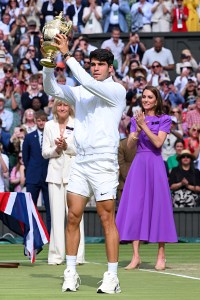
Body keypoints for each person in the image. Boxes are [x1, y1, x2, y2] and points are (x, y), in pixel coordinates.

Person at [43, 37, 126, 293]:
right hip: (81, 160)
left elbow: (88, 81)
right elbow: (51, 89)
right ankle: (70, 272)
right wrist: (48, 61)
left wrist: (67, 56)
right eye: (93, 64)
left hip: (104, 163)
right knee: (72, 217)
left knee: (106, 218)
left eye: (101, 65)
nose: (96, 68)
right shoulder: (80, 92)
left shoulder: (117, 91)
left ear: (110, 68)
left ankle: (112, 276)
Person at [116, 86, 177, 271]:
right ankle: (135, 256)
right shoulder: (137, 119)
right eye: (144, 97)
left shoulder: (165, 119)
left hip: (155, 164)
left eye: (150, 97)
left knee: (158, 207)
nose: (146, 100)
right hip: (139, 165)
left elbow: (158, 143)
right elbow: (129, 144)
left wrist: (143, 126)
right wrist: (135, 132)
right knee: (135, 208)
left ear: (157, 100)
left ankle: (161, 255)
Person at [42, 99, 85, 265]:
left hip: (74, 175)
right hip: (54, 176)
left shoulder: (78, 124)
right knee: (56, 217)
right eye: (59, 105)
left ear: (70, 108)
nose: (62, 108)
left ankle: (78, 256)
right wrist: (57, 149)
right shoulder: (48, 126)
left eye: (65, 105)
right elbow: (45, 152)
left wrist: (66, 146)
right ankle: (56, 256)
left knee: (75, 215)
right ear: (55, 107)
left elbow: (80, 149)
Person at [22, 111, 51, 234]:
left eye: (43, 120)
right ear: (35, 121)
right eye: (39, 120)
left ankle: (50, 235)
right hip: (33, 177)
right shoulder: (29, 137)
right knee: (30, 207)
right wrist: (31, 171)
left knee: (50, 208)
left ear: (46, 121)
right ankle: (29, 234)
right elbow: (25, 157)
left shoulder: (51, 137)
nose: (41, 123)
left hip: (48, 176)